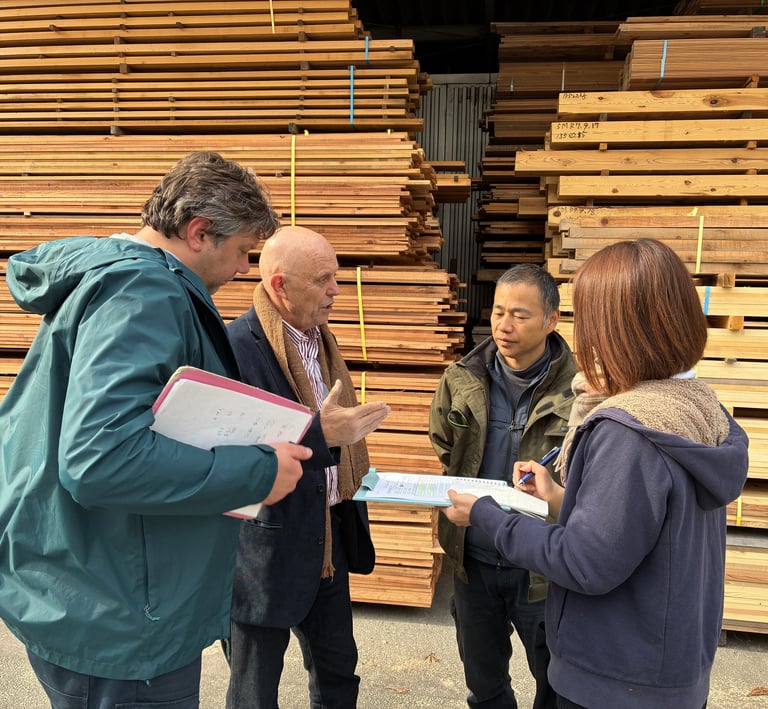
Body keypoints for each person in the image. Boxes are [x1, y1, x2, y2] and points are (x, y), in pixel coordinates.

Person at [0, 151, 313, 708]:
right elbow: (101, 459)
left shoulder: (117, 278)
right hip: (119, 617)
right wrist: (259, 470)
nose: (244, 269)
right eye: (243, 251)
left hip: (86, 584)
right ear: (199, 232)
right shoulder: (144, 293)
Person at [445, 238, 750, 709]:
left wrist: (488, 515)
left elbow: (585, 562)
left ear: (617, 329)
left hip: (614, 675)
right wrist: (558, 498)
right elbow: (638, 530)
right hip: (667, 667)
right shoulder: (696, 406)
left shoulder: (627, 431)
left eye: (587, 319)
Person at [225, 225, 391, 709]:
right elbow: (232, 450)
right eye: (322, 280)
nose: (336, 291)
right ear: (280, 285)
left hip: (330, 536)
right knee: (254, 690)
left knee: (338, 673)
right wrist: (324, 434)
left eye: (336, 278)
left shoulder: (321, 341)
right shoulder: (234, 347)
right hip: (267, 547)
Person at [429, 263, 577, 709]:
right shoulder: (462, 377)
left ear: (551, 321)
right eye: (497, 312)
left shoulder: (581, 391)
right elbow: (443, 443)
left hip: (541, 569)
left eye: (519, 314)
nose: (503, 325)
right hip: (473, 561)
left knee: (556, 686)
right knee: (485, 686)